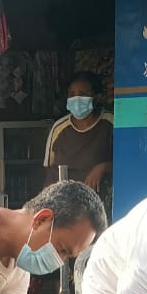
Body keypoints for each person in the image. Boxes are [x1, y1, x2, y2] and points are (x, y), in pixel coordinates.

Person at [44, 72, 114, 213]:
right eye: (72, 94)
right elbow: (49, 168)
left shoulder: (111, 123)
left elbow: (128, 162)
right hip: (63, 205)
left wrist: (103, 167)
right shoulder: (60, 128)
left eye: (82, 94)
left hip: (99, 206)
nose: (76, 98)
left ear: (96, 97)